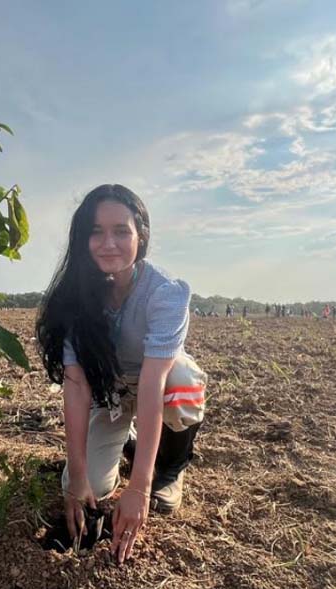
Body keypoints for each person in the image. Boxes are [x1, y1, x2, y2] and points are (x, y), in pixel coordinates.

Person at [35, 184, 207, 565]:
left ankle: (169, 469)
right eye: (96, 232)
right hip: (108, 393)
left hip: (155, 385)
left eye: (121, 231)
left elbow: (152, 383)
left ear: (140, 236)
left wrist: (140, 488)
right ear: (82, 239)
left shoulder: (165, 293)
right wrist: (78, 477)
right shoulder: (77, 297)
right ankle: (127, 440)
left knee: (180, 379)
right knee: (85, 486)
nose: (108, 243)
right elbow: (77, 385)